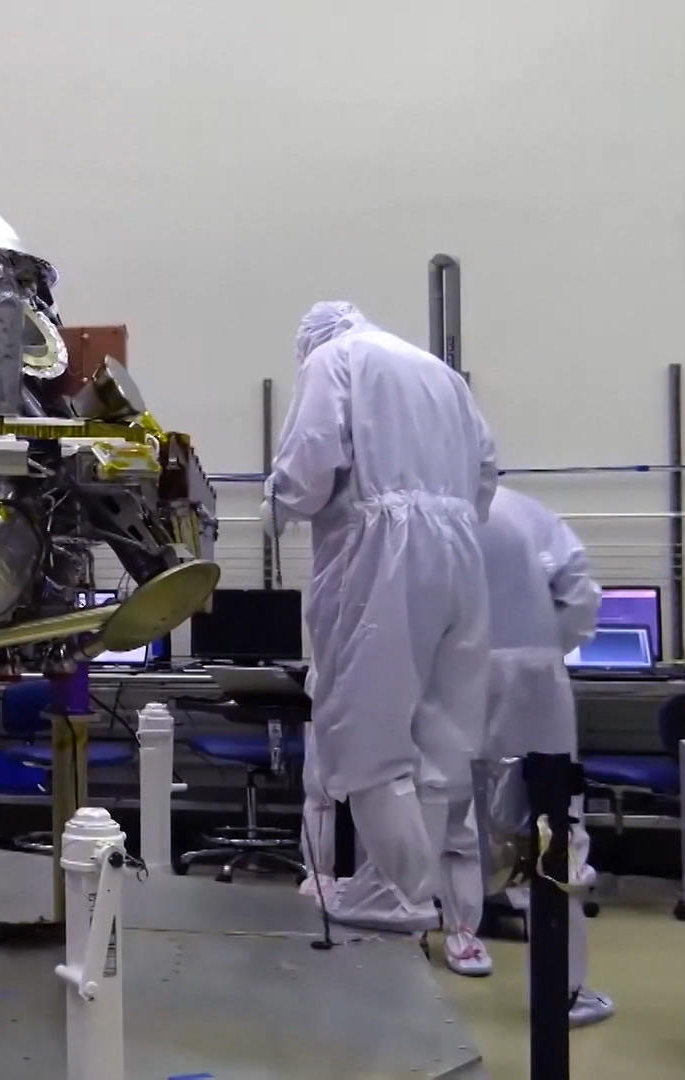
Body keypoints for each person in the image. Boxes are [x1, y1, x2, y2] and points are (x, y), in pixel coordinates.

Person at [265, 301, 497, 973]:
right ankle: (435, 899)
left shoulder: (332, 359)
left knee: (365, 732)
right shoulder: (441, 374)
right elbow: (486, 467)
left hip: (384, 548)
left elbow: (308, 467)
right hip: (460, 553)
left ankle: (398, 893)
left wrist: (275, 503)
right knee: (441, 734)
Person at [475, 485, 613, 1026]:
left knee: (434, 818)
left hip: (435, 679)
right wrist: (541, 647)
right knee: (550, 831)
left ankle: (408, 967)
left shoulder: (394, 512)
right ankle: (563, 992)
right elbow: (580, 595)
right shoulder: (518, 511)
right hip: (527, 683)